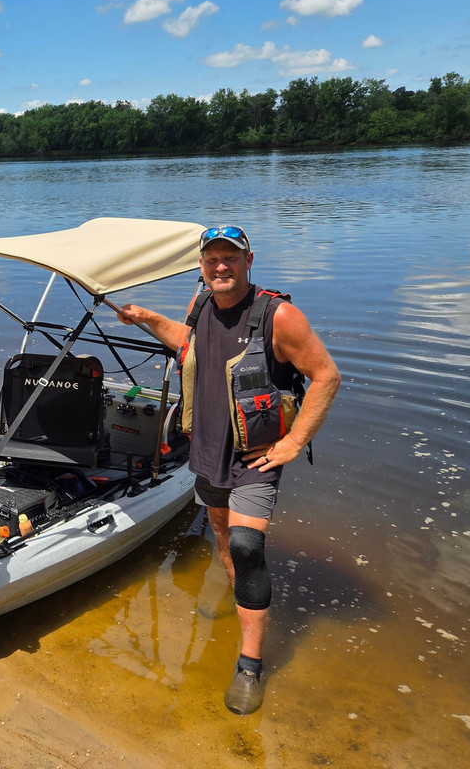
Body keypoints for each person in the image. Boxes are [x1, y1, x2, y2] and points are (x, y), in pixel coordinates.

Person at [118, 225, 341, 715]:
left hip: (254, 456)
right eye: (212, 259)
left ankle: (250, 665)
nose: (221, 266)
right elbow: (190, 346)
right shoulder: (201, 306)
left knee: (246, 546)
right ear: (201, 265)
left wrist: (293, 442)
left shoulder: (277, 315)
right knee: (223, 541)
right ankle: (242, 598)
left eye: (230, 258)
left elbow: (325, 374)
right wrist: (148, 317)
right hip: (207, 450)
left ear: (248, 260)